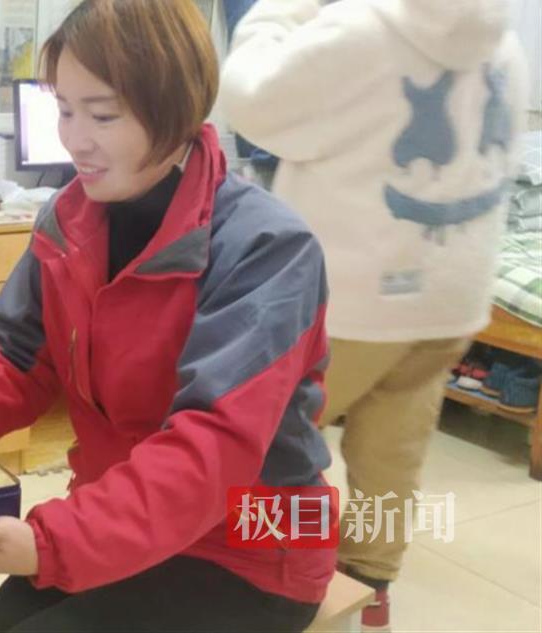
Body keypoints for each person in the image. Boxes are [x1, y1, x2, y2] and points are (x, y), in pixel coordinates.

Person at [0, 1, 335, 630]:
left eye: (103, 115)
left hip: (251, 543)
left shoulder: (266, 249)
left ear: (177, 110)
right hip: (115, 517)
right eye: (64, 110)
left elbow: (211, 451)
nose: (74, 139)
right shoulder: (68, 219)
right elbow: (17, 362)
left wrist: (52, 544)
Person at [220, 0, 527, 628]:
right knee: (394, 446)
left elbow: (252, 104)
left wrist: (278, 13)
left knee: (269, 435)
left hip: (354, 298)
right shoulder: (503, 38)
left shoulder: (358, 30)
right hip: (451, 296)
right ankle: (369, 579)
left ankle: (262, 568)